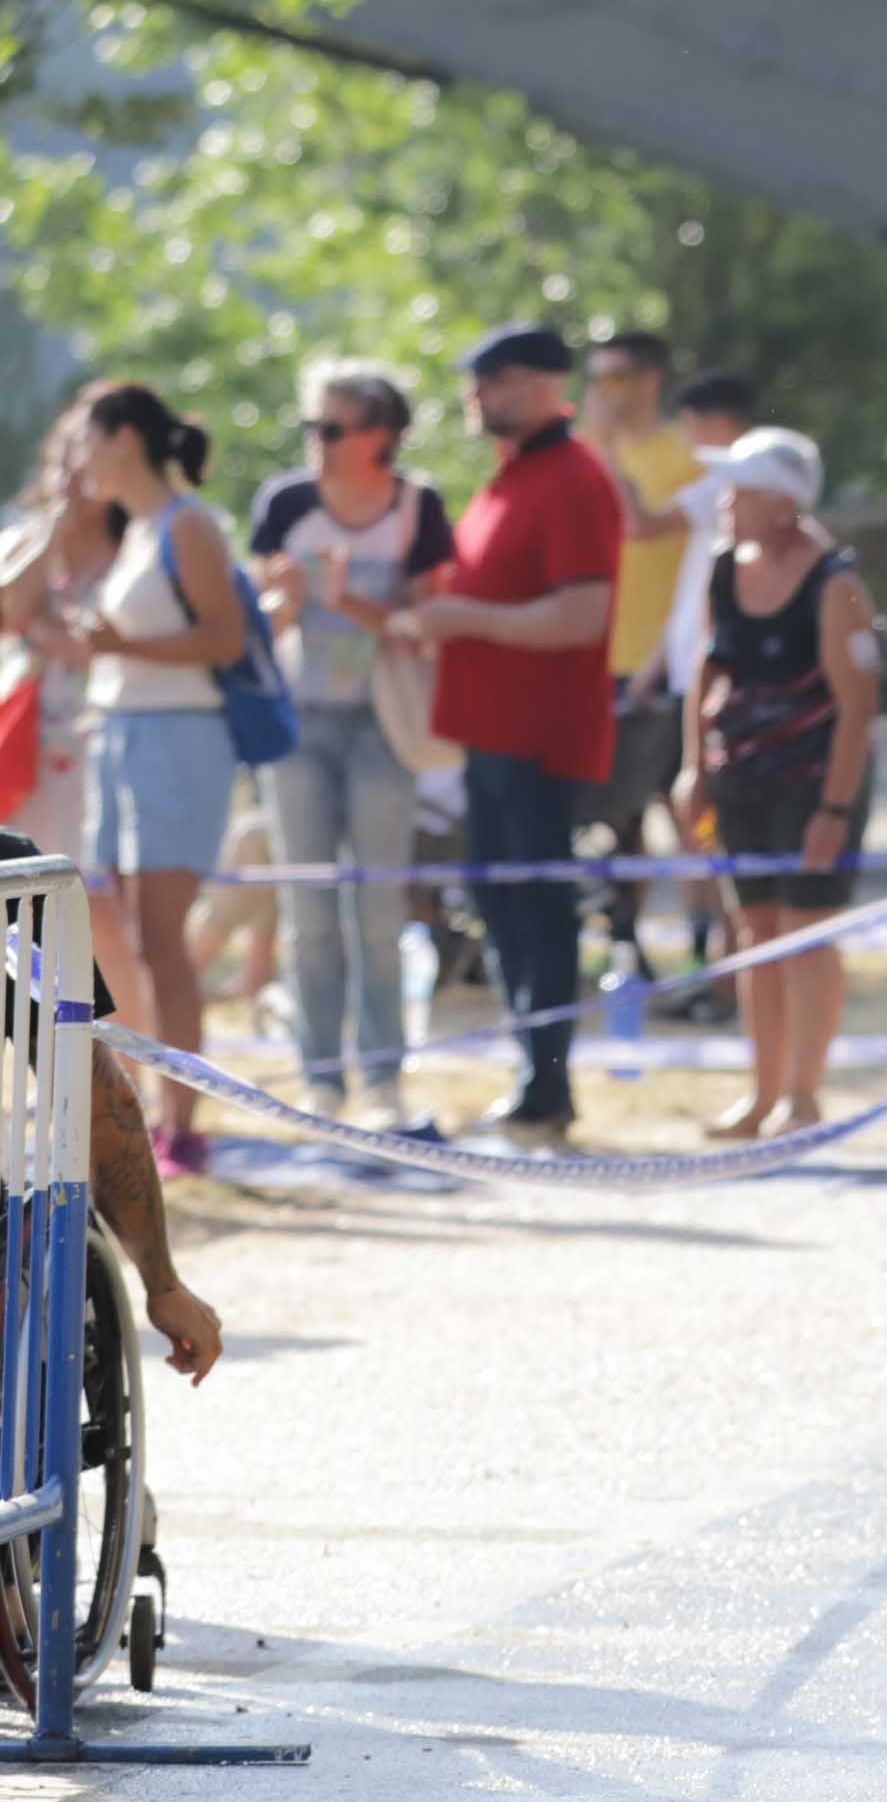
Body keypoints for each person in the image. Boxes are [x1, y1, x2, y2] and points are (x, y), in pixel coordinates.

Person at [390, 324, 621, 1142]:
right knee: (501, 901)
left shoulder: (572, 478)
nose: (478, 397)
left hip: (538, 737)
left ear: (540, 384)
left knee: (535, 908)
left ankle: (547, 1086)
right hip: (491, 736)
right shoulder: (510, 478)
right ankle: (534, 1076)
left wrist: (463, 617)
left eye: (495, 382)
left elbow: (582, 613)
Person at [19, 385, 242, 1179]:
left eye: (86, 440)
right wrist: (105, 656)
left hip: (178, 744)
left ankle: (184, 1131)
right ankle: (153, 1119)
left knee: (163, 945)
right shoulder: (148, 529)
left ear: (123, 438)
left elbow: (225, 638)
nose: (75, 459)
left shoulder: (188, 526)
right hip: (121, 736)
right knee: (133, 941)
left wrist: (119, 649)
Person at [247, 360, 458, 1130]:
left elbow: (428, 629)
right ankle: (321, 1081)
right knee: (307, 909)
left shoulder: (418, 507)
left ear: (381, 436)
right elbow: (256, 628)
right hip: (297, 724)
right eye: (312, 426)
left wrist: (355, 607)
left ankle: (383, 1080)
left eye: (332, 429)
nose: (317, 442)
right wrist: (287, 602)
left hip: (384, 725)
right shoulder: (285, 503)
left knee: (377, 908)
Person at [670, 428, 879, 1140]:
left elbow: (857, 703)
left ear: (785, 503)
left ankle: (804, 1095)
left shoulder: (835, 584)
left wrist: (834, 808)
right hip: (741, 776)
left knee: (806, 930)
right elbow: (706, 670)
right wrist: (694, 767)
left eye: (741, 490)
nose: (725, 502)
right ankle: (761, 1094)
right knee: (754, 932)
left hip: (814, 777)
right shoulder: (725, 567)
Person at [0, 823, 225, 1380]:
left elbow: (101, 1104)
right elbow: (102, 1106)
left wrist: (163, 1282)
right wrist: (162, 1283)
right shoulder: (21, 879)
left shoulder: (20, 882)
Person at [611, 367, 758, 1007]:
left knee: (707, 828)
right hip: (683, 679)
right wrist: (652, 669)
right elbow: (689, 594)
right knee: (692, 825)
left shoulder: (728, 478)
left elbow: (641, 524)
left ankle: (724, 972)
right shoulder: (726, 483)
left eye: (697, 423)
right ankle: (711, 967)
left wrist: (605, 449)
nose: (690, 437)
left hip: (713, 684)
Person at [574, 331, 703, 982]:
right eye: (597, 379)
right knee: (610, 818)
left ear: (650, 379)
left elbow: (643, 523)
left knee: (678, 812)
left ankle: (702, 954)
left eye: (618, 378)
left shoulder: (684, 454)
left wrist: (607, 453)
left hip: (667, 662)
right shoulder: (583, 456)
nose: (604, 393)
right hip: (595, 660)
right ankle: (623, 947)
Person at [0, 393, 121, 860]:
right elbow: (10, 614)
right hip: (27, 747)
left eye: (81, 460)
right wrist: (51, 536)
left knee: (93, 894)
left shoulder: (131, 553)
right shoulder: (23, 541)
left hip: (100, 742)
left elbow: (106, 647)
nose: (69, 477)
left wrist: (46, 633)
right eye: (60, 462)